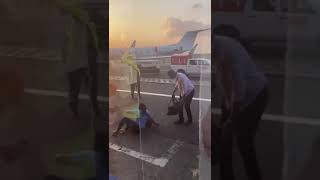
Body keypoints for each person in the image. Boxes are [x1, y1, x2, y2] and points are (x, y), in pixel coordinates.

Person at [213, 35, 268, 180]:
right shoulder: (213, 49)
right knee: (224, 141)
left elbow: (239, 95)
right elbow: (217, 80)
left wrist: (230, 122)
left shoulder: (229, 55)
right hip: (230, 97)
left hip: (254, 97)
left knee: (244, 142)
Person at [61, 9, 101, 120]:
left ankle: (95, 110)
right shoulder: (69, 26)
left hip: (88, 62)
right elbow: (64, 44)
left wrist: (95, 56)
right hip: (74, 62)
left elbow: (94, 43)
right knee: (75, 89)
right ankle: (74, 111)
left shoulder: (89, 26)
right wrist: (65, 60)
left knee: (92, 89)